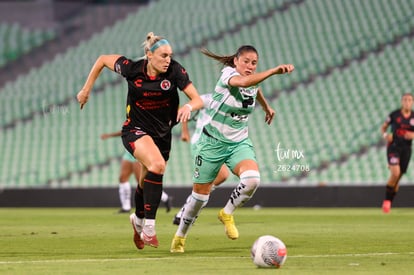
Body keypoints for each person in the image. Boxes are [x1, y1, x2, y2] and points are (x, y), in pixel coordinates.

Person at [77, 32, 203, 249]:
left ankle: (137, 220)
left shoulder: (175, 71)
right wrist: (86, 90)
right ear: (149, 55)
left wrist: (189, 107)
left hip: (162, 134)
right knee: (157, 165)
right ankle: (149, 228)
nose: (168, 60)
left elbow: (197, 98)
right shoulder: (132, 68)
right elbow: (102, 60)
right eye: (163, 55)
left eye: (170, 55)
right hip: (134, 130)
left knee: (146, 181)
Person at [170, 45, 294, 253]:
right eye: (245, 61)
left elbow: (255, 88)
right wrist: (273, 71)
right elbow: (245, 83)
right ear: (235, 61)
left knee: (252, 179)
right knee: (199, 198)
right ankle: (180, 236)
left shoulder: (252, 80)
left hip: (238, 142)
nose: (249, 66)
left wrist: (266, 107)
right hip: (211, 144)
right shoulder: (229, 75)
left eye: (254, 63)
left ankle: (226, 213)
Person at [173, 93, 230, 225]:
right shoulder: (208, 98)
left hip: (215, 144)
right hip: (202, 142)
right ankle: (187, 211)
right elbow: (184, 108)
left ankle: (185, 211)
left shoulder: (231, 101)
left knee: (216, 178)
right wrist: (185, 131)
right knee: (220, 175)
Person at [100, 131, 172, 213]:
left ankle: (165, 198)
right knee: (122, 178)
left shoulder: (144, 121)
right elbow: (125, 131)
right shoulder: (132, 121)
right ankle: (126, 207)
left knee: (142, 183)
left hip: (138, 151)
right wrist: (109, 135)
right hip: (129, 153)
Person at [380, 93, 414, 213]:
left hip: (406, 149)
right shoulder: (394, 115)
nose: (407, 102)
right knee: (395, 173)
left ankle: (389, 201)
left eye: (409, 100)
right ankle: (386, 201)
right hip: (394, 147)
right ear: (401, 102)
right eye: (405, 100)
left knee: (398, 178)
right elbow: (383, 127)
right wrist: (385, 135)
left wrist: (413, 135)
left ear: (412, 102)